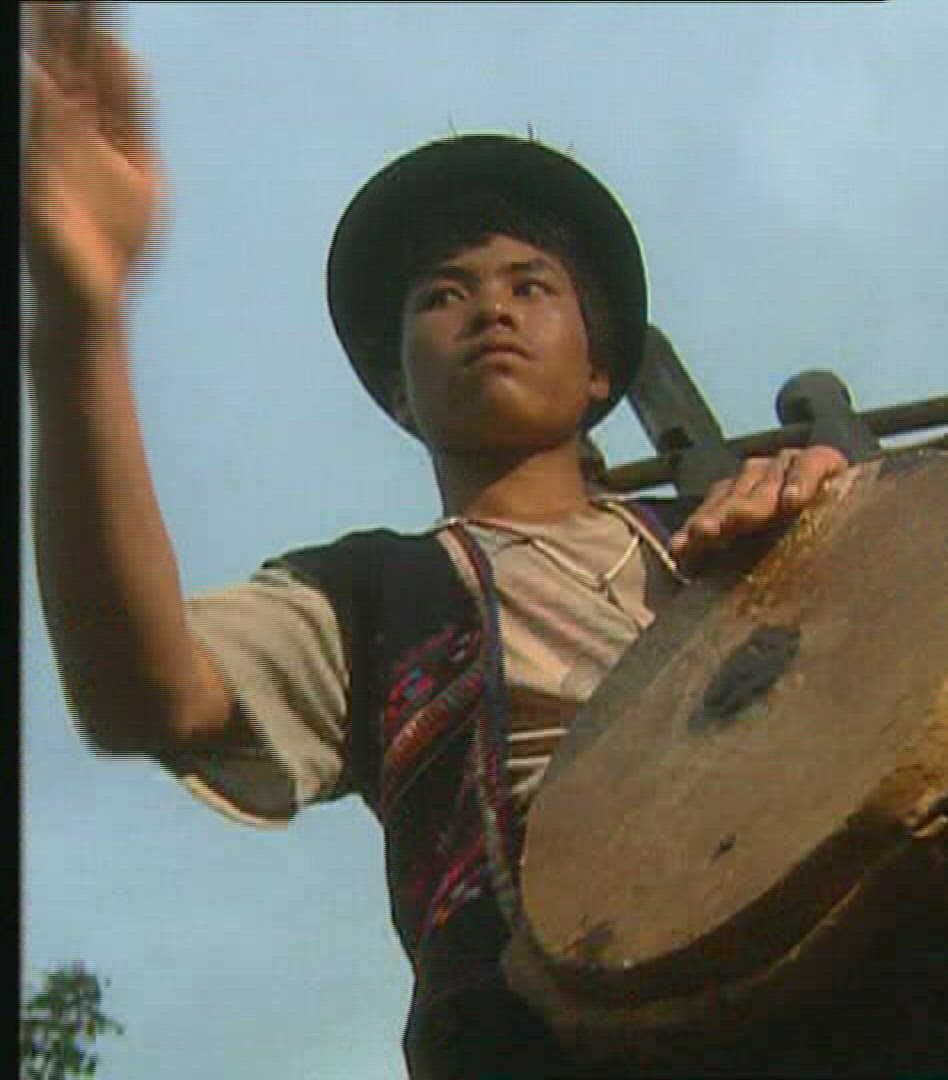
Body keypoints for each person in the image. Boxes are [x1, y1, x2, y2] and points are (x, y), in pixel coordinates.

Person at [21, 3, 848, 1076]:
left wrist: (841, 537)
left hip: (835, 971)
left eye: (531, 285)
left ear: (600, 370)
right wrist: (80, 321)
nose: (490, 311)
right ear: (399, 394)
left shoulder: (719, 535)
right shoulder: (377, 595)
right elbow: (141, 693)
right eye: (443, 296)